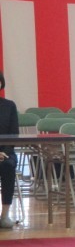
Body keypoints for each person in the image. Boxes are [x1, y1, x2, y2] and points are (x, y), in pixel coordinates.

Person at [0, 71, 19, 228]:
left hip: (6, 152)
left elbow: (14, 133)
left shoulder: (9, 106)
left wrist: (4, 152)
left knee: (7, 166)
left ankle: (4, 215)